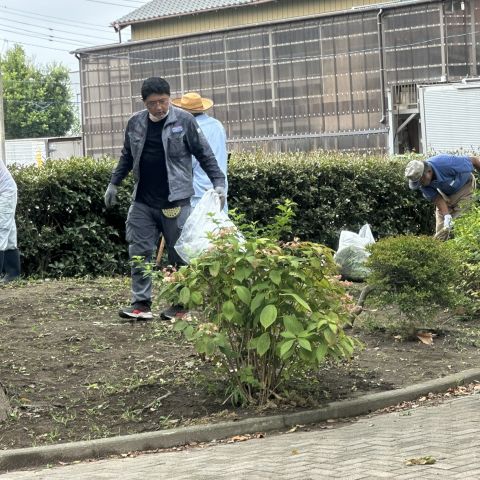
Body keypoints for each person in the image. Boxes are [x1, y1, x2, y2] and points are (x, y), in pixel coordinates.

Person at [104, 77, 226, 321]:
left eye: (163, 101)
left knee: (178, 254)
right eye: (152, 103)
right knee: (139, 251)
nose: (158, 108)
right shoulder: (135, 123)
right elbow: (127, 156)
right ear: (144, 103)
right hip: (143, 201)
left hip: (176, 201)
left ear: (169, 98)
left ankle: (180, 307)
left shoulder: (184, 120)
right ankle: (141, 304)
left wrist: (219, 182)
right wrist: (114, 183)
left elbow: (205, 153)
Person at [171, 92, 228, 212]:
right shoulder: (217, 125)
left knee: (197, 229)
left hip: (198, 192)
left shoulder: (188, 128)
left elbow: (186, 162)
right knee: (221, 228)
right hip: (220, 188)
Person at [405, 154, 480, 239]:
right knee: (442, 230)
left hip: (465, 187)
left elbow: (474, 160)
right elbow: (437, 198)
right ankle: (441, 250)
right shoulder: (422, 183)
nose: (420, 183)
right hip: (445, 194)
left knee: (460, 224)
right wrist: (446, 216)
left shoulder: (446, 163)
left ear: (429, 171)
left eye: (421, 179)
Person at [0, 160, 21, 283]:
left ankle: (12, 274)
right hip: (4, 191)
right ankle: (13, 274)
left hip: (6, 192)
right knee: (9, 231)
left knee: (1, 229)